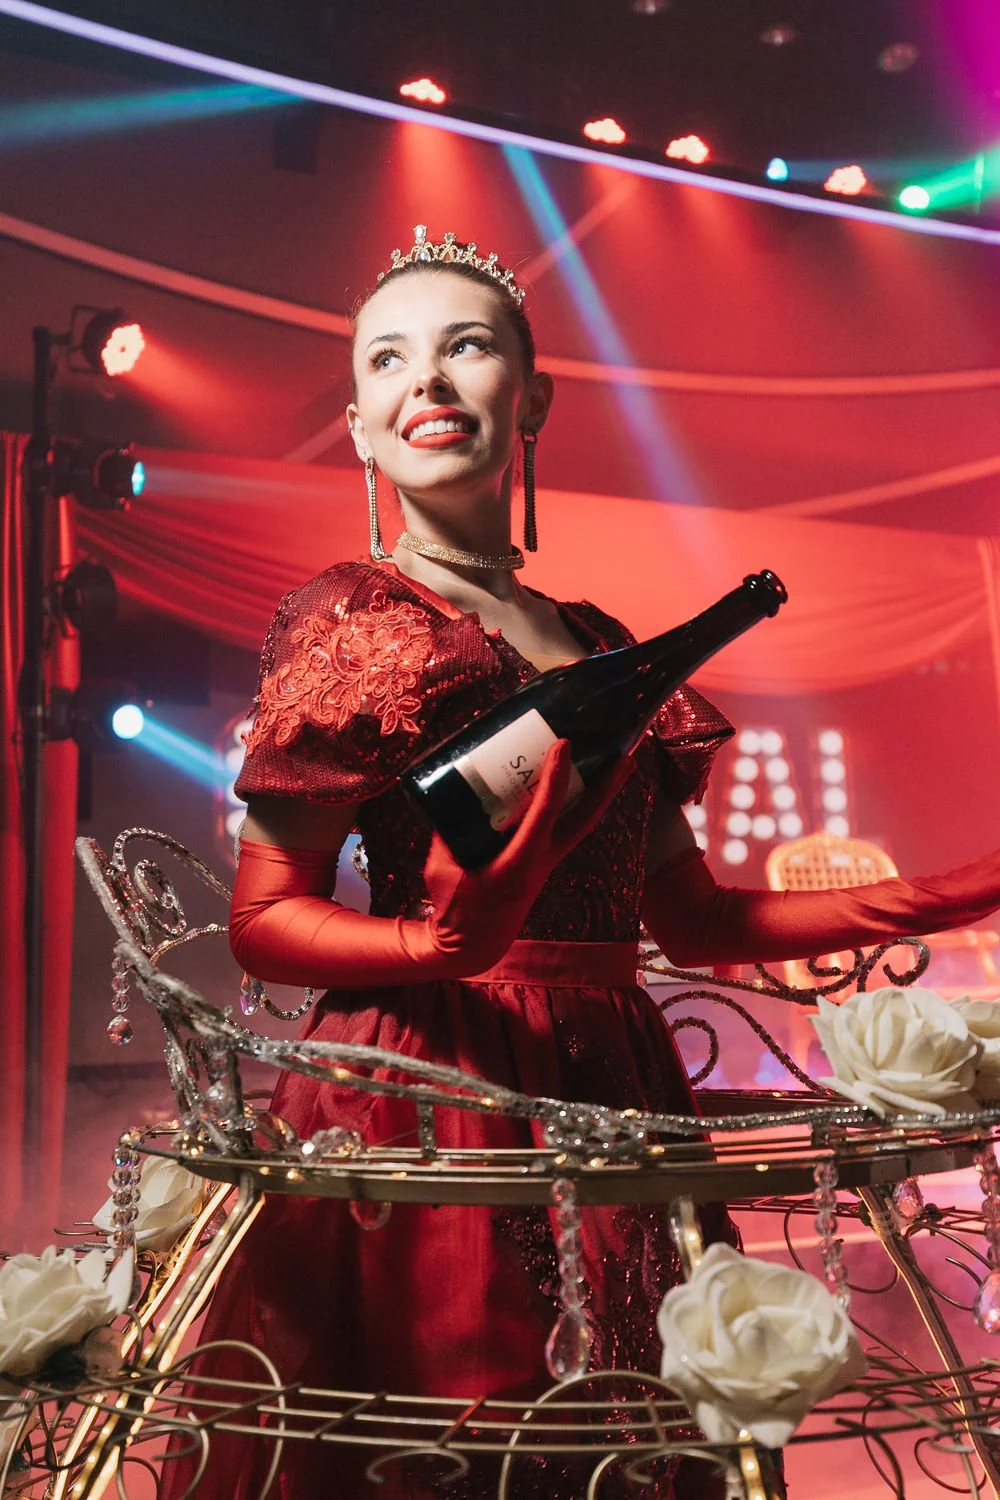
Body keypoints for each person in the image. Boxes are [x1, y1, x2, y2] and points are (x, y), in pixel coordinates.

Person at [161, 229, 1000, 1500]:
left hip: (616, 1077)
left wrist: (957, 887)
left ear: (531, 397)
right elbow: (265, 919)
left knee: (631, 1432)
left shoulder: (602, 642)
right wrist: (432, 945)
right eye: (389, 359)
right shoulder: (349, 617)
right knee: (467, 1439)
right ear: (356, 424)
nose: (426, 382)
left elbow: (698, 921)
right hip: (420, 1087)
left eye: (466, 347)